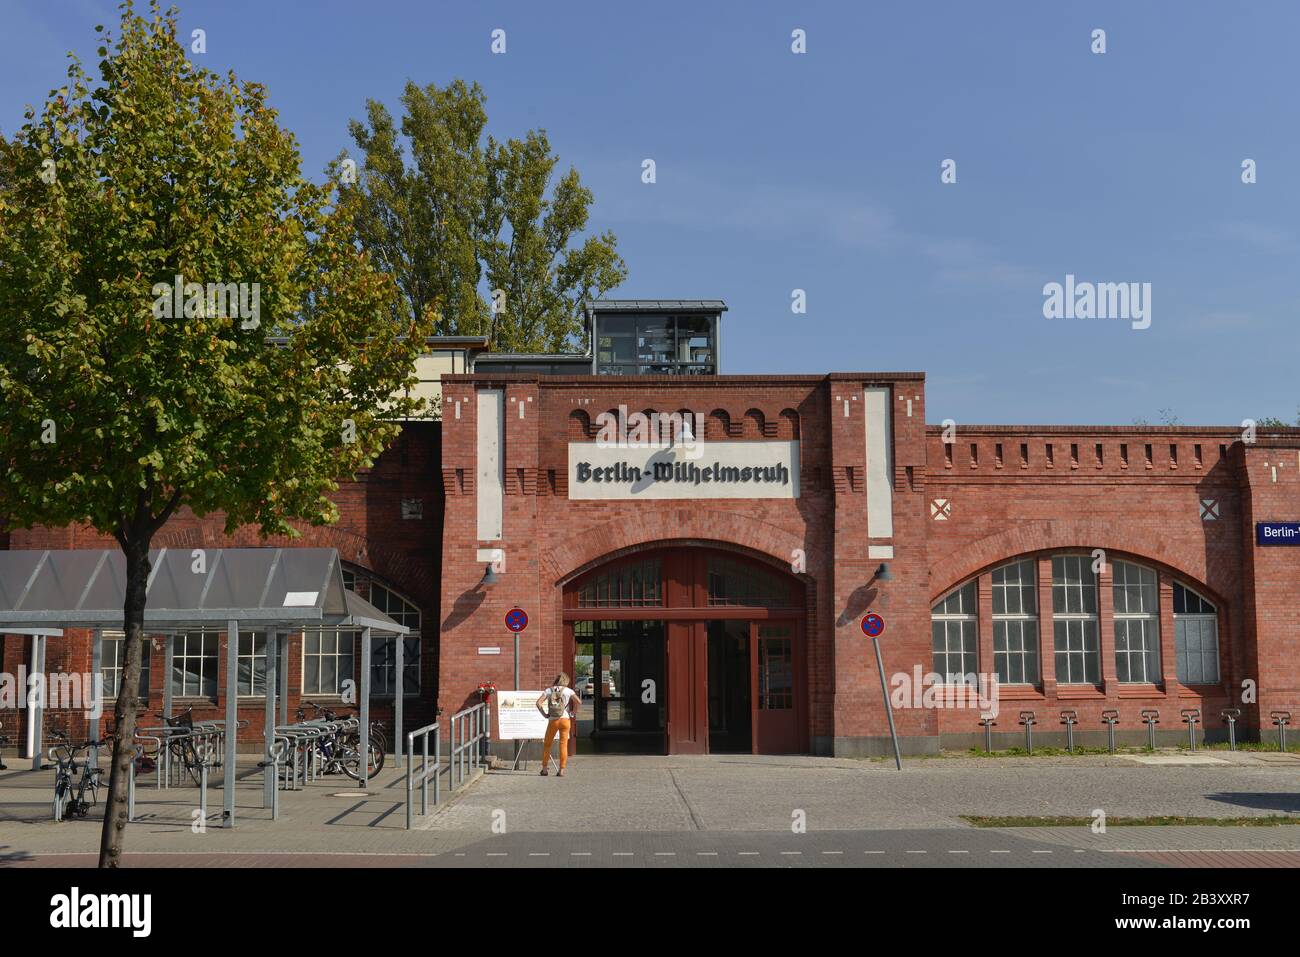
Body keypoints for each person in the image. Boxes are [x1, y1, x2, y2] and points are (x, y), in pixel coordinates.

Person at [535, 673, 579, 776]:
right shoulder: (569, 691)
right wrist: (573, 712)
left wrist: (545, 714)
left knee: (547, 744)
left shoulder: (549, 690)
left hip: (553, 720)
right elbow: (579, 702)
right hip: (565, 720)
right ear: (566, 681)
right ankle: (561, 770)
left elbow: (538, 703)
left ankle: (545, 769)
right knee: (563, 745)